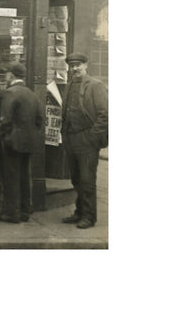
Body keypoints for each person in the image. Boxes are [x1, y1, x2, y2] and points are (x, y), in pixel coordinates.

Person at [60, 52, 108, 229]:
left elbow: (105, 114)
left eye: (78, 65)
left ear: (86, 65)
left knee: (87, 180)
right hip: (71, 138)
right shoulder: (69, 85)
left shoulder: (96, 85)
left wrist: (92, 137)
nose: (75, 69)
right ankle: (79, 212)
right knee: (76, 179)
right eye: (72, 66)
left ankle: (89, 216)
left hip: (86, 139)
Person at [0, 62, 44, 223]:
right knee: (25, 176)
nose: (6, 77)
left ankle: (12, 213)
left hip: (13, 141)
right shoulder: (31, 93)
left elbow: (5, 120)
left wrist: (4, 135)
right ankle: (25, 210)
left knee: (12, 177)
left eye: (7, 74)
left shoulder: (10, 93)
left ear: (11, 75)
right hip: (29, 142)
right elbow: (40, 119)